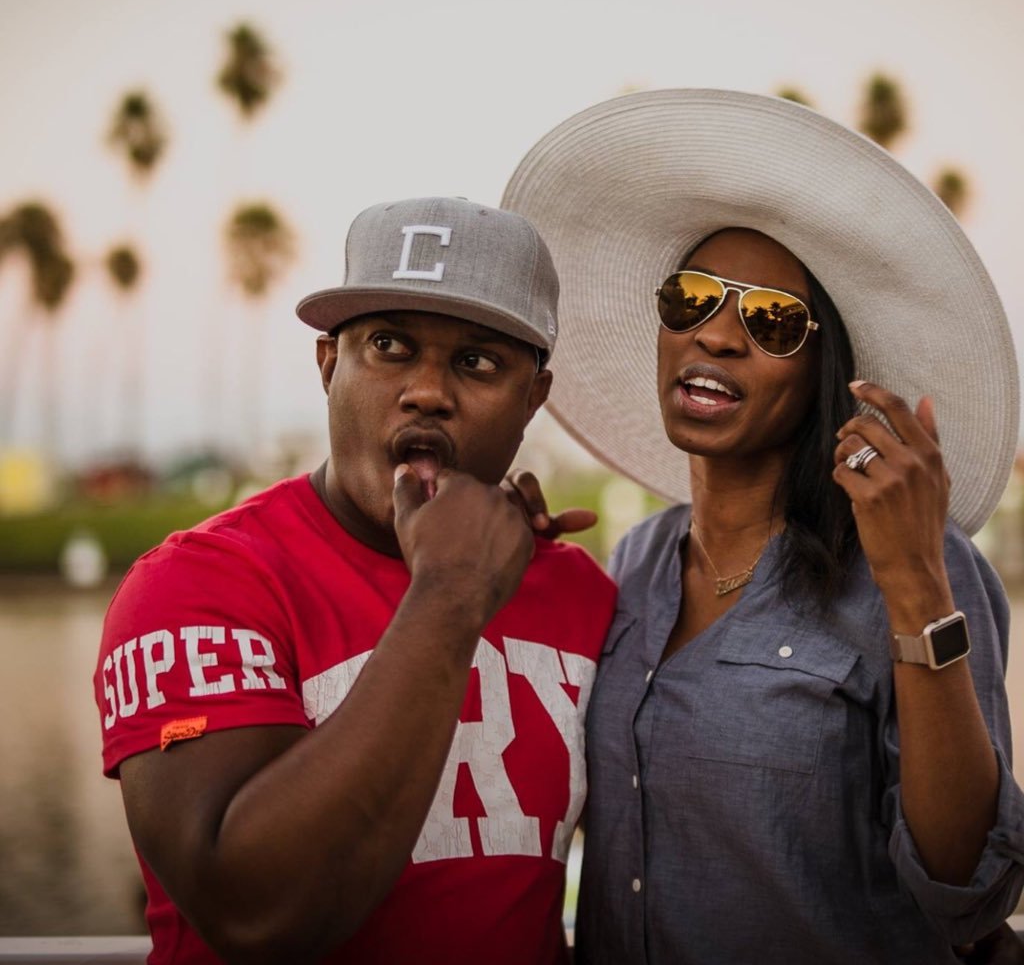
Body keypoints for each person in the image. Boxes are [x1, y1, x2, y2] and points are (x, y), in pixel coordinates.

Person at [501, 90, 1024, 963]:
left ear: (827, 368)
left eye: (773, 321)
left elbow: (966, 886)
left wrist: (915, 587)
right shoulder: (633, 563)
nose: (718, 335)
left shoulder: (916, 567)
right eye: (693, 298)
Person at [93, 196, 616, 965]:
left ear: (532, 399)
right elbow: (254, 912)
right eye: (390, 345)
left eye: (478, 362)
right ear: (329, 364)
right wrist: (451, 594)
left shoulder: (579, 593)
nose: (429, 391)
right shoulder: (198, 585)